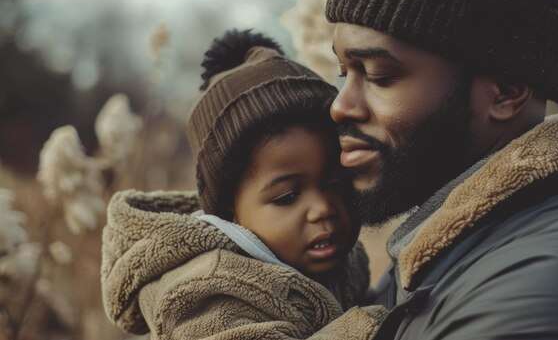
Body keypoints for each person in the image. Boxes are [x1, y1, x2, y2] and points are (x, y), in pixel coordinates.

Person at [324, 0, 558, 339]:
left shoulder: (547, 295)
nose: (341, 105)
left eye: (378, 75)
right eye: (344, 72)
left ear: (506, 92)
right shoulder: (444, 245)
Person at [101, 30, 386, 340]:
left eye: (335, 183)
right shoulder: (210, 290)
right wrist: (373, 328)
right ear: (229, 211)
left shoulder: (345, 261)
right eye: (288, 196)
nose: (323, 208)